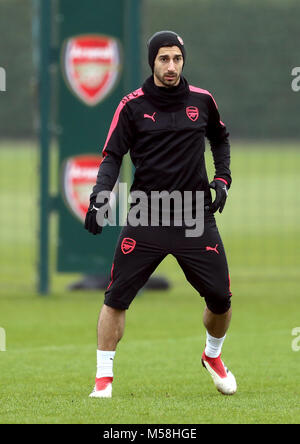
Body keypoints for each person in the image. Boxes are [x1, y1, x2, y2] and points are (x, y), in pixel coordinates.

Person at [84, 31, 237, 397]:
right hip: (146, 216)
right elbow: (112, 157)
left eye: (177, 59)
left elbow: (220, 138)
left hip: (194, 216)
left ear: (183, 61)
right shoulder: (131, 106)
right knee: (115, 298)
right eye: (163, 59)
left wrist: (222, 179)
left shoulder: (202, 101)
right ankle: (103, 378)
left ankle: (212, 356)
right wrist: (99, 197)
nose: (171, 66)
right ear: (152, 61)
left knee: (220, 297)